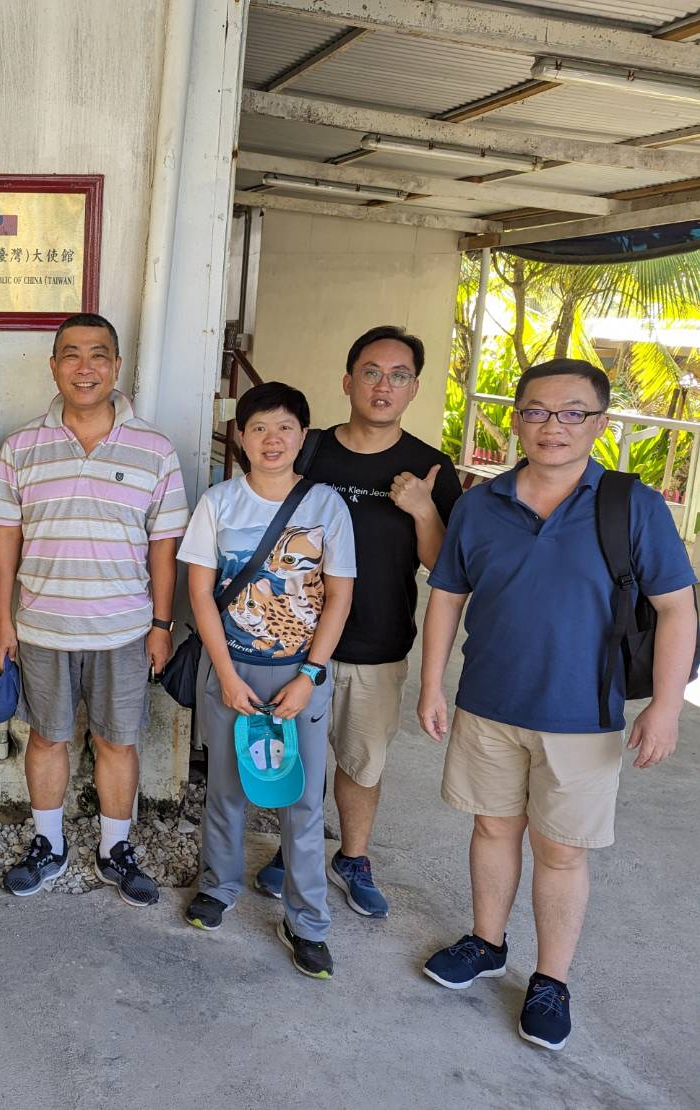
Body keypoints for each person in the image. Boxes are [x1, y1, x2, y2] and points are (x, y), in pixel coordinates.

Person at [417, 357, 696, 1051]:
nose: (553, 426)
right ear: (516, 418)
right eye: (537, 411)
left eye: (573, 412)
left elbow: (677, 608)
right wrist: (431, 684)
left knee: (563, 853)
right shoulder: (482, 504)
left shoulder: (633, 505)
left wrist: (665, 706)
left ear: (599, 424)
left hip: (584, 715)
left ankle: (551, 979)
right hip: (487, 702)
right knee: (491, 829)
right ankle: (487, 943)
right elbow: (448, 594)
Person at [253, 326, 460, 917]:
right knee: (294, 751)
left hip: (377, 641)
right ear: (348, 381)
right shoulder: (309, 449)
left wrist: (422, 510)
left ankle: (353, 856)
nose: (383, 385)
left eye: (398, 375)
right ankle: (296, 847)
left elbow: (444, 566)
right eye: (371, 371)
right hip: (291, 638)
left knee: (360, 759)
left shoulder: (429, 466)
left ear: (414, 388)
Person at [0, 313, 188, 905]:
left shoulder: (155, 449)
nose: (85, 367)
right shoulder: (21, 447)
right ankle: (48, 845)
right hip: (43, 626)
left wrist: (161, 625)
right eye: (71, 355)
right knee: (47, 738)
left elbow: (165, 546)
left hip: (124, 630)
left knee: (117, 742)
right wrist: (2, 619)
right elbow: (6, 538)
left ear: (117, 366)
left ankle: (114, 850)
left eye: (98, 355)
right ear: (53, 366)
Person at [178, 382, 355, 979]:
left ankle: (307, 921)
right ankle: (218, 886)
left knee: (301, 800)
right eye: (258, 428)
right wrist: (225, 675)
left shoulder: (326, 505)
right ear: (241, 438)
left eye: (284, 428)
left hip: (298, 677)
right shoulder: (219, 502)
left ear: (302, 437)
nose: (272, 439)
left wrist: (310, 674)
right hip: (230, 670)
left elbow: (338, 596)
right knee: (226, 789)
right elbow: (200, 594)